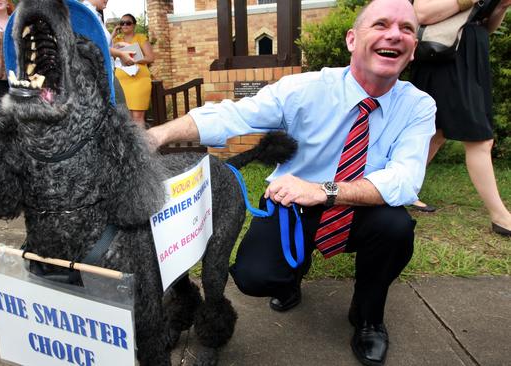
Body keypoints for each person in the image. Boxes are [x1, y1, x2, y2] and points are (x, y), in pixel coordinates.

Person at [147, 0, 435, 364]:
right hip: (291, 204)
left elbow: (406, 179)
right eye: (381, 24)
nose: (394, 34)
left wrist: (325, 191)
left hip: (358, 207)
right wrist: (158, 135)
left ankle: (368, 316)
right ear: (351, 39)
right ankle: (292, 277)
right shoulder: (304, 89)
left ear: (410, 51)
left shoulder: (418, 106)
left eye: (406, 29)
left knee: (396, 228)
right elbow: (232, 114)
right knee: (254, 276)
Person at [410, 0, 511, 236]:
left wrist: (501, 7)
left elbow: (484, 26)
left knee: (436, 132)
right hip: (446, 56)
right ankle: (501, 216)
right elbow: (421, 12)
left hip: (470, 52)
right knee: (479, 138)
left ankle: (402, 187)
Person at [111, 14, 155, 128]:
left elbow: (150, 58)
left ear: (134, 25)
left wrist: (133, 60)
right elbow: (104, 49)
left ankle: (140, 145)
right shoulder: (117, 40)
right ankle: (129, 145)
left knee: (137, 117)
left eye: (128, 22)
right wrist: (113, 34)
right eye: (122, 23)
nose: (125, 25)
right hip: (121, 82)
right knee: (125, 117)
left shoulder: (141, 37)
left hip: (138, 81)